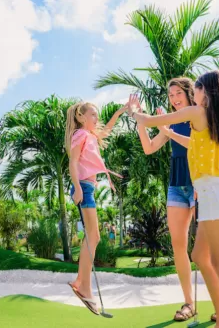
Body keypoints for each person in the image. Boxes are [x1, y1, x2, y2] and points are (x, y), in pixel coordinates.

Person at [128, 70, 219, 328]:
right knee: (199, 255)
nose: (195, 93)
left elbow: (148, 121)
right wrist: (168, 132)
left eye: (197, 89)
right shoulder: (214, 119)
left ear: (206, 91)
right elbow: (190, 143)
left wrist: (134, 111)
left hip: (212, 192)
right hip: (213, 192)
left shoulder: (196, 112)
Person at [65, 100, 127, 315]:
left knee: (92, 236)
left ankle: (81, 282)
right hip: (83, 187)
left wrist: (120, 111)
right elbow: (72, 162)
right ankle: (84, 286)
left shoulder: (90, 136)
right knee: (94, 236)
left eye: (97, 115)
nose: (96, 118)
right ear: (81, 117)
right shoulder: (80, 135)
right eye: (92, 114)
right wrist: (77, 188)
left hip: (87, 187)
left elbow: (106, 130)